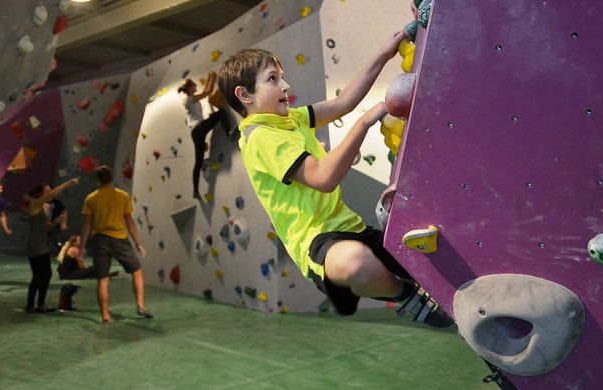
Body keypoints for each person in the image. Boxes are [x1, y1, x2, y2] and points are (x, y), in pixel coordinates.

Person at [217, 31, 453, 327]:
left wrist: (386, 51)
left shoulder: (291, 119)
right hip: (319, 242)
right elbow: (323, 177)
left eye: (282, 76)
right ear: (244, 95)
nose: (285, 85)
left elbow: (344, 102)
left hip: (350, 227)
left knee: (425, 251)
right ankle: (407, 296)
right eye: (273, 79)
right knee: (357, 263)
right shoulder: (260, 136)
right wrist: (365, 122)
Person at [80, 165, 152, 323]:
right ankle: (140, 305)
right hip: (119, 239)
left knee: (103, 279)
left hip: (100, 240)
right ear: (111, 178)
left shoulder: (91, 198)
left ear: (98, 179)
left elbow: (86, 225)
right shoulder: (122, 196)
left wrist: (81, 248)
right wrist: (138, 243)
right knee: (137, 271)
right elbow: (130, 221)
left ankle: (105, 316)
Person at [25, 178, 79, 313]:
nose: (50, 194)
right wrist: (68, 183)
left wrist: (56, 221)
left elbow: (46, 228)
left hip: (42, 245)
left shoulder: (46, 207)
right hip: (34, 245)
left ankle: (41, 304)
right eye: (47, 192)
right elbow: (53, 195)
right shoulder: (34, 204)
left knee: (47, 274)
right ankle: (30, 305)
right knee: (37, 276)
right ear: (39, 194)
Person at [178, 71, 232, 199]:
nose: (196, 88)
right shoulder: (189, 98)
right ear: (190, 88)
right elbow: (207, 92)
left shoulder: (189, 99)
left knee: (198, 161)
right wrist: (212, 77)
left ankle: (195, 191)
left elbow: (206, 91)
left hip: (196, 132)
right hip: (199, 129)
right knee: (221, 113)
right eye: (194, 86)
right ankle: (229, 132)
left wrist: (209, 77)